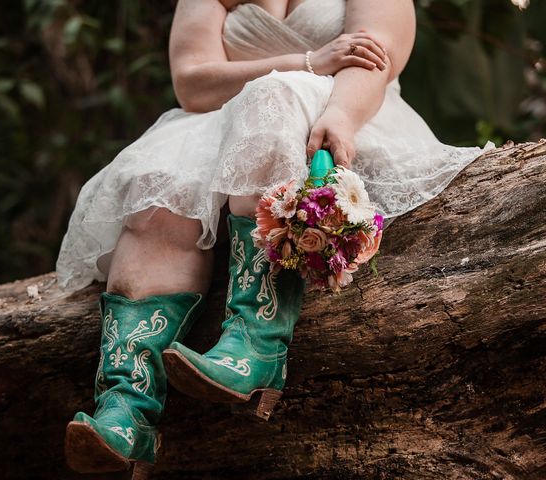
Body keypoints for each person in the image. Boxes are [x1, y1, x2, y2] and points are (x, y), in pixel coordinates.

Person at [60, 0, 493, 477]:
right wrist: (308, 59)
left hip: (336, 111)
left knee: (271, 100)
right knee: (158, 200)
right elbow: (192, 82)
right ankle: (126, 411)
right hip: (218, 121)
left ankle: (255, 347)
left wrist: (339, 115)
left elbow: (375, 60)